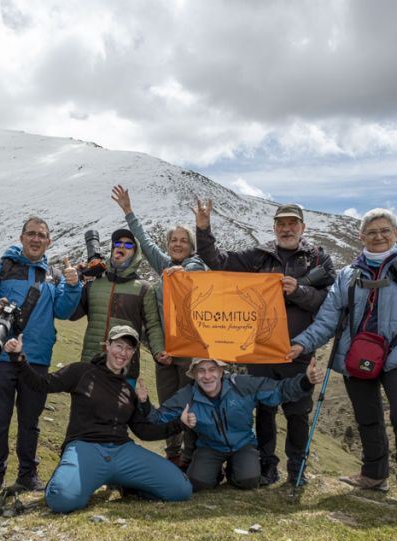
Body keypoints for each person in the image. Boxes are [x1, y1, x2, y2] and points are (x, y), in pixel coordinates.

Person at [288, 208, 397, 509]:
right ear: (361, 237)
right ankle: (374, 474)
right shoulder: (348, 276)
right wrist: (301, 344)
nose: (379, 236)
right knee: (367, 417)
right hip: (357, 354)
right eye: (372, 232)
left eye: (385, 230)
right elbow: (327, 320)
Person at [196, 200, 335, 489]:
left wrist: (299, 290)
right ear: (274, 228)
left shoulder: (320, 261)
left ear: (302, 227)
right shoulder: (257, 257)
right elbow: (217, 261)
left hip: (298, 349)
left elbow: (327, 303)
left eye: (292, 224)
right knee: (264, 410)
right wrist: (203, 228)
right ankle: (267, 467)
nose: (286, 229)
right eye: (281, 224)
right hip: (259, 349)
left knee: (297, 411)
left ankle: (297, 468)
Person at [2, 326, 192, 513]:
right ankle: (68, 479)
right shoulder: (81, 372)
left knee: (181, 490)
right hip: (85, 448)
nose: (123, 353)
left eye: (129, 349)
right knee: (61, 500)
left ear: (133, 353)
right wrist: (18, 358)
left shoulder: (127, 389)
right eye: (118, 345)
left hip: (122, 452)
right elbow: (41, 384)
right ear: (107, 345)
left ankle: (128, 484)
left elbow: (144, 431)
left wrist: (180, 424)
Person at [0, 216, 83, 499]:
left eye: (41, 235)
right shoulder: (3, 267)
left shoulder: (55, 276)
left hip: (36, 359)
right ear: (22, 238)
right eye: (31, 234)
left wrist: (72, 286)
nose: (36, 239)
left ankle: (27, 476)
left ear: (49, 242)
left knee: (30, 420)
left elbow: (63, 311)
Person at [110, 185, 207, 468]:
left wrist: (183, 272)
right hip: (166, 353)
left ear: (191, 246)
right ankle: (173, 453)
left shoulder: (198, 265)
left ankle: (193, 455)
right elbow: (145, 243)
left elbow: (195, 273)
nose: (178, 244)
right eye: (174, 240)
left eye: (183, 241)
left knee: (191, 402)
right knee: (167, 404)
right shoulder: (164, 266)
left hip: (191, 352)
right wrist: (129, 212)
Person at [142, 358, 325, 491]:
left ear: (221, 372)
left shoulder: (242, 386)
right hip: (209, 447)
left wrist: (305, 380)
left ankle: (234, 470)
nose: (207, 376)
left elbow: (279, 390)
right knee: (198, 483)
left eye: (212, 369)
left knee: (249, 480)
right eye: (201, 371)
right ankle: (215, 473)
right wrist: (143, 403)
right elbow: (157, 418)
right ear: (195, 375)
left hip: (243, 444)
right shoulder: (187, 396)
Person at [70, 222, 165, 384]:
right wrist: (76, 281)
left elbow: (153, 325)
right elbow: (73, 315)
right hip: (90, 364)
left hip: (125, 370)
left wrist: (158, 351)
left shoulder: (144, 288)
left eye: (128, 244)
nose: (121, 246)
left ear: (135, 253)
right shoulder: (94, 282)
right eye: (117, 244)